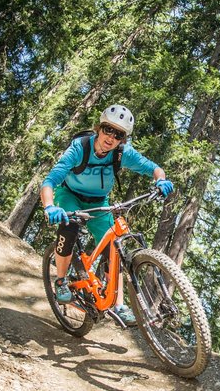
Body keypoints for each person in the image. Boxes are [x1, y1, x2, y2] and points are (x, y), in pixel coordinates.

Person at [40, 104, 173, 327]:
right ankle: (61, 281)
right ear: (99, 128)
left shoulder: (122, 153)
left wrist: (161, 180)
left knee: (115, 249)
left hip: (99, 202)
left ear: (123, 139)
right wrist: (50, 206)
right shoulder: (80, 148)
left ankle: (119, 306)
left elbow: (153, 168)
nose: (111, 137)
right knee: (69, 228)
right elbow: (50, 181)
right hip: (70, 196)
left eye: (118, 134)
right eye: (107, 129)